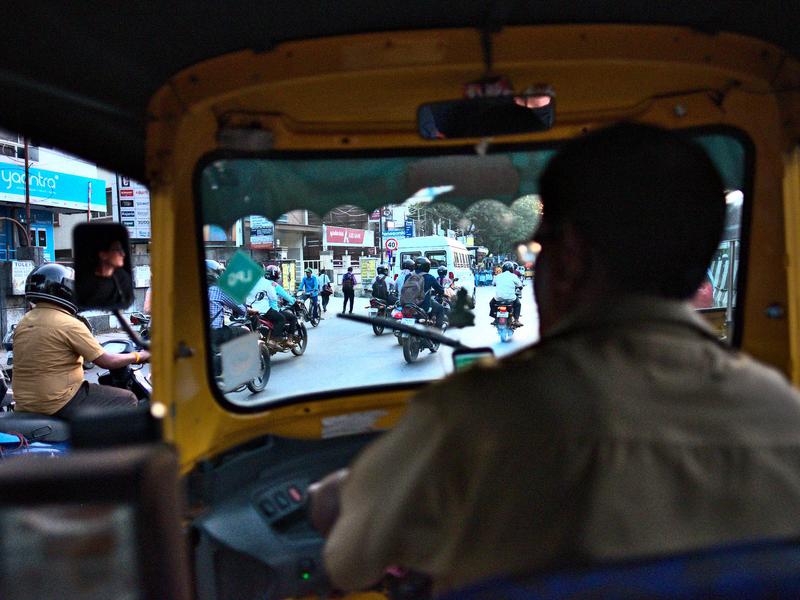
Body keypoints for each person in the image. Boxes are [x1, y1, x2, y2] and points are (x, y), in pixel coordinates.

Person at [309, 123, 800, 595]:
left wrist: (331, 496)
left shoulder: (476, 415)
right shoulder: (786, 416)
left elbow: (350, 563)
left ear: (570, 258)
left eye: (540, 243)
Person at [12, 263, 150, 418]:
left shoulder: (24, 321)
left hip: (25, 403)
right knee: (127, 398)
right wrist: (140, 356)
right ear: (66, 290)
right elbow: (107, 360)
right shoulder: (68, 323)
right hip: (58, 402)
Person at [207, 259, 256, 346]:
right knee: (245, 331)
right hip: (216, 332)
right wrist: (246, 310)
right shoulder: (217, 289)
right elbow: (240, 308)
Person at [246, 265, 296, 338]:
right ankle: (279, 339)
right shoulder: (272, 284)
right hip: (267, 310)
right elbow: (276, 297)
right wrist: (293, 300)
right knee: (288, 318)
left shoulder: (248, 282)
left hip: (249, 309)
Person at [400, 257, 445, 328]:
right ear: (427, 267)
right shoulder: (429, 277)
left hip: (407, 305)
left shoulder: (408, 276)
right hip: (423, 305)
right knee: (440, 308)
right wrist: (441, 293)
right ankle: (437, 334)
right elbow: (440, 290)